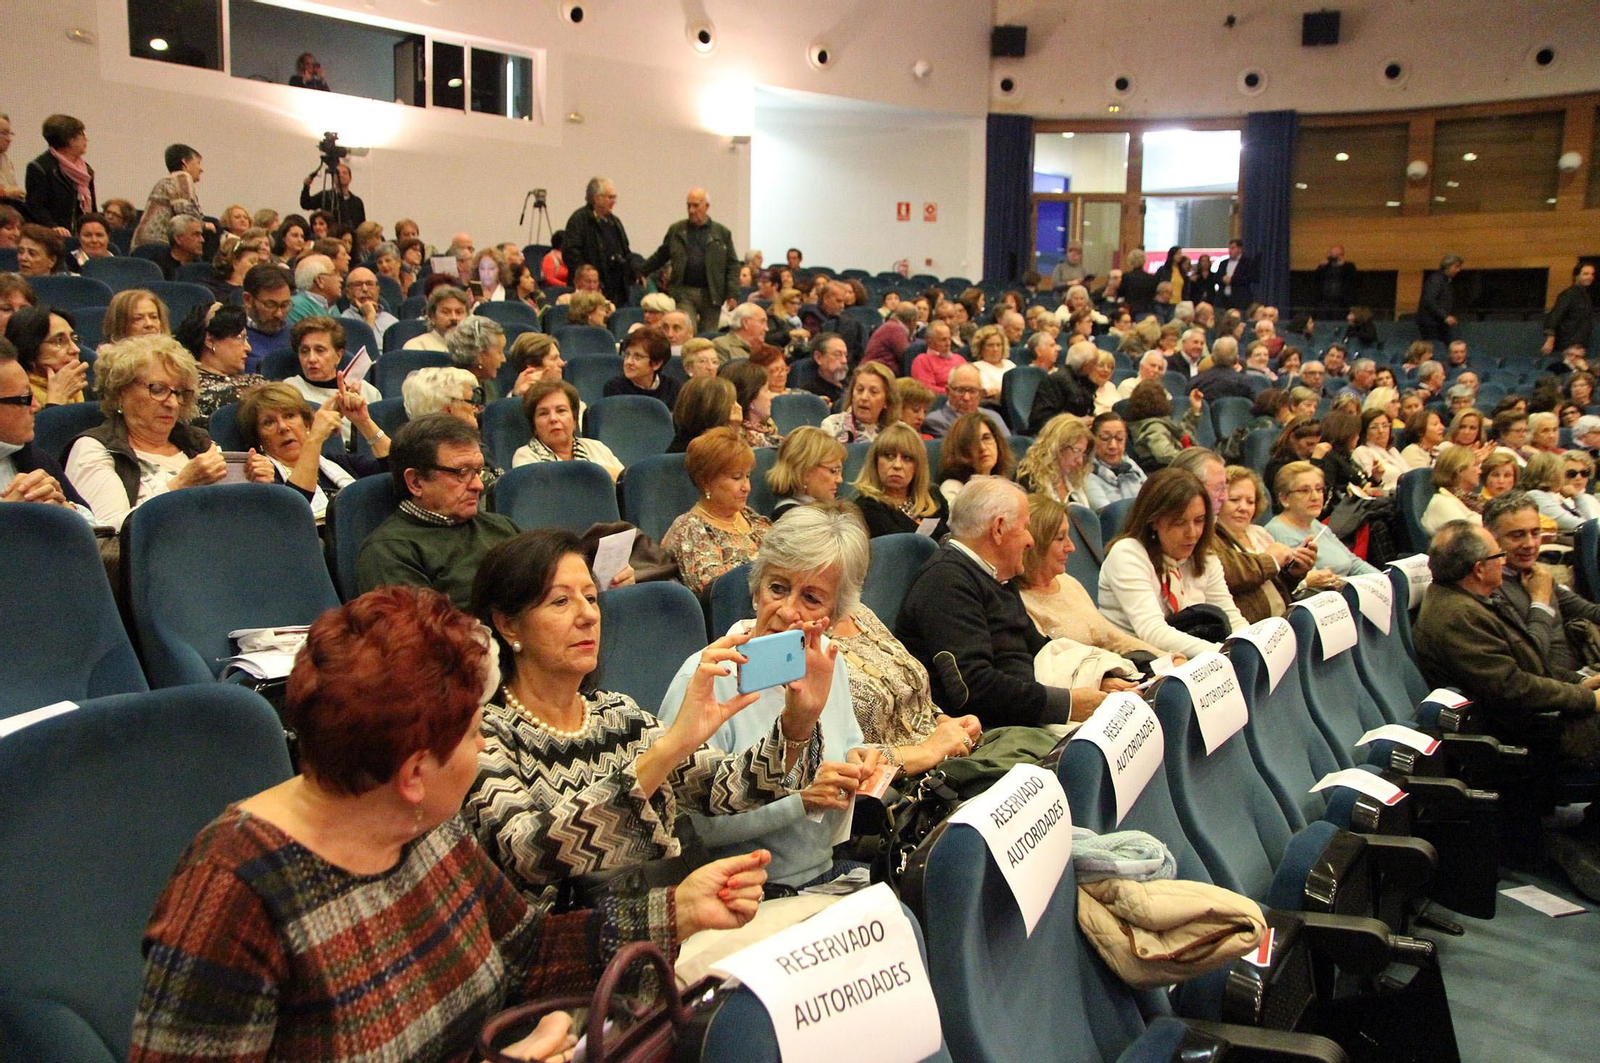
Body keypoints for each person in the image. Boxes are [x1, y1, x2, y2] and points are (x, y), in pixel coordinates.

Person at [130, 585, 771, 1063]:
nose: (484, 743)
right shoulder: (234, 892)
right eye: (471, 734)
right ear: (414, 772)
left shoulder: (422, 824)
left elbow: (525, 952)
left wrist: (677, 910)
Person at [461, 527, 817, 907]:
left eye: (591, 598)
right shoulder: (482, 736)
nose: (588, 615)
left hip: (663, 921)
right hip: (572, 939)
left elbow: (730, 788)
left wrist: (799, 721)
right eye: (561, 601)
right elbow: (527, 853)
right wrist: (668, 749)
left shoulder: (615, 714)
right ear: (508, 624)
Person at [660, 506, 886, 887]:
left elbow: (850, 742)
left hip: (825, 873)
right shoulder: (706, 679)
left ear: (834, 616)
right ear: (756, 592)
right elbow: (686, 826)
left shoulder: (827, 663)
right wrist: (801, 801)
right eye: (777, 588)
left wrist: (858, 760)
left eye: (811, 598)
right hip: (742, 890)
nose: (787, 610)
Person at [899, 477, 1134, 726]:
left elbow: (1038, 648)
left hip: (1027, 716)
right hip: (989, 730)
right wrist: (1067, 704)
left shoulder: (997, 575)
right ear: (999, 528)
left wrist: (1096, 679)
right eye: (1025, 527)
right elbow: (973, 689)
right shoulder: (945, 582)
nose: (1031, 540)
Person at [1414, 519, 1600, 758]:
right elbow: (1513, 688)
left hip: (1540, 718)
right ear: (1479, 569)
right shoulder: (1459, 618)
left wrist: (1580, 682)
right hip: (1529, 737)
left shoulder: (1468, 601)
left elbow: (1527, 664)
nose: (1503, 562)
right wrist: (1587, 698)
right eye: (1499, 556)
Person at [356, 415, 521, 607]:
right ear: (416, 482)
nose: (478, 485)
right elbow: (417, 625)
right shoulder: (388, 551)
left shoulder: (501, 526)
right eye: (462, 472)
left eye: (478, 471)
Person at [62, 334, 224, 529]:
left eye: (180, 392)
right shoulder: (94, 449)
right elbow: (108, 532)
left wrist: (252, 481)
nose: (172, 403)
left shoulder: (198, 442)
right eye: (158, 389)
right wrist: (180, 485)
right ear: (120, 393)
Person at [1098, 467, 1249, 657]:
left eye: (1199, 521)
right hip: (1135, 660)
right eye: (1179, 522)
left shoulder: (1205, 557)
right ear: (1154, 521)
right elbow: (1153, 633)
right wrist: (1224, 653)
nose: (1192, 533)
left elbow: (1231, 617)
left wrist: (1252, 646)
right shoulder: (1127, 554)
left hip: (1191, 658)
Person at [1016, 492, 1167, 661]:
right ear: (1034, 544)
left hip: (1117, 670)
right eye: (1060, 538)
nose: (1071, 547)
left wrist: (1167, 658)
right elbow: (1050, 666)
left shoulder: (1067, 582)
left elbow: (1115, 638)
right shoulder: (1018, 602)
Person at [1486, 491, 1600, 676]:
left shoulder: (1536, 574)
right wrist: (1540, 600)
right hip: (1556, 685)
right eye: (1517, 535)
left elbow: (1591, 612)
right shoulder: (1490, 588)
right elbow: (1531, 659)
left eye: (1535, 533)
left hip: (1580, 675)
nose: (1530, 544)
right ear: (1491, 538)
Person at [238, 382, 387, 523]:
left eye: (290, 415)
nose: (283, 427)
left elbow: (396, 471)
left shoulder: (339, 463)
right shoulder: (265, 477)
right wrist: (315, 438)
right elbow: (292, 511)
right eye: (269, 422)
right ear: (258, 438)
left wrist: (364, 422)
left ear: (306, 424)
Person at [661, 426, 772, 594]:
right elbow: (716, 591)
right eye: (736, 477)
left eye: (747, 476)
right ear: (706, 481)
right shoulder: (689, 529)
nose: (747, 487)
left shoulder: (749, 515)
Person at [1214, 465, 1311, 622]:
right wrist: (1270, 560)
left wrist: (1293, 573)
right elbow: (1233, 576)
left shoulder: (1259, 533)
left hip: (1282, 620)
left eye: (1250, 501)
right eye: (1234, 500)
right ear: (1217, 501)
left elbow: (1276, 588)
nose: (1243, 508)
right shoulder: (1211, 540)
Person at [0, 337, 86, 510]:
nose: (36, 406)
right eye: (24, 399)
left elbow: (96, 523)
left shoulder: (32, 456)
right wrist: (9, 515)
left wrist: (65, 509)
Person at [638, 187, 741, 327]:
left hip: (712, 294)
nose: (691, 210)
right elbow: (661, 255)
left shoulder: (722, 233)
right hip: (683, 291)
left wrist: (733, 293)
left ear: (707, 206)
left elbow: (732, 264)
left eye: (696, 205)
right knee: (686, 328)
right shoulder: (676, 230)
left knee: (708, 334)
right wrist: (641, 271)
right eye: (689, 205)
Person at [1265, 462, 1379, 579]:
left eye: (1319, 489)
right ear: (1284, 498)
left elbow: (1353, 563)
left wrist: (1383, 579)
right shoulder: (1278, 531)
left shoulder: (1316, 525)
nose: (1315, 497)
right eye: (1304, 490)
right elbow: (1313, 581)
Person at [282, 316, 381, 445]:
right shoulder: (289, 390)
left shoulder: (368, 391)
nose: (311, 359)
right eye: (304, 351)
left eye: (320, 350)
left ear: (338, 356)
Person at [512, 377, 624, 481]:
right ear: (534, 425)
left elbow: (626, 482)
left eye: (561, 411)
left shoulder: (597, 448)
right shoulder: (525, 456)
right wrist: (599, 474)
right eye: (543, 413)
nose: (553, 419)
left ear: (574, 419)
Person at [849, 422, 947, 538]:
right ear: (875, 462)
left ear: (918, 466)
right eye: (889, 456)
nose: (897, 465)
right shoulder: (866, 507)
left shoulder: (933, 496)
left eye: (907, 458)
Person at [175, 302, 263, 426]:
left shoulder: (253, 379)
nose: (248, 348)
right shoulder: (197, 392)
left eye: (246, 338)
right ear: (210, 340)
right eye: (239, 337)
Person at [562, 177, 633, 307]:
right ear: (596, 198)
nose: (614, 201)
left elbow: (626, 251)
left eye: (614, 197)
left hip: (616, 291)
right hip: (589, 290)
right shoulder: (578, 220)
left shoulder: (615, 222)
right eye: (610, 197)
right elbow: (570, 253)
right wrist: (591, 278)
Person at [6, 304, 87, 407]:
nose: (75, 349)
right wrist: (56, 401)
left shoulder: (85, 389)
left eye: (73, 339)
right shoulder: (16, 398)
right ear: (31, 350)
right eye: (59, 341)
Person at [25, 114, 95, 234]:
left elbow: (92, 209)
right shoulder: (40, 167)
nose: (86, 140)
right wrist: (53, 227)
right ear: (70, 140)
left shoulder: (86, 171)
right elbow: (35, 207)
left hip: (80, 234)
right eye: (82, 135)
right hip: (50, 234)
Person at [130, 144, 205, 249]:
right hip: (157, 245)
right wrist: (206, 225)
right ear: (185, 163)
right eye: (198, 163)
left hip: (144, 245)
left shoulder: (169, 180)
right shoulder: (181, 177)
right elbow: (187, 216)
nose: (201, 169)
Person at [766, 426, 845, 520]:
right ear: (805, 471)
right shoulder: (791, 516)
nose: (840, 480)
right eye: (833, 471)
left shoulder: (825, 510)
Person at [1016, 413, 1092, 508]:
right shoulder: (1028, 479)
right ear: (1058, 446)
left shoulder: (1073, 479)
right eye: (1076, 451)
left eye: (1083, 454)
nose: (1080, 461)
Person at [938, 411, 1013, 506]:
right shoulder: (953, 489)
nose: (982, 447)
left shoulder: (1005, 485)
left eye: (986, 438)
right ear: (960, 450)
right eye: (973, 442)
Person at [1127, 380, 1204, 472]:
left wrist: (1194, 410)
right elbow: (1165, 455)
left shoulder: (1160, 423)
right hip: (1172, 473)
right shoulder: (1154, 427)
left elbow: (1183, 434)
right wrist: (1193, 461)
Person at [603, 325, 681, 410]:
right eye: (627, 355)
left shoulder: (672, 388)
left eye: (638, 357)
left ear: (656, 364)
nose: (628, 362)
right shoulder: (615, 387)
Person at [925, 363, 1009, 441]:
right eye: (960, 390)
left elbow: (1009, 446)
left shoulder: (994, 417)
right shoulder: (935, 421)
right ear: (948, 391)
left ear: (981, 394)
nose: (966, 398)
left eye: (972, 391)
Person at [1025, 340, 1097, 432]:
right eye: (1094, 363)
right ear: (1086, 364)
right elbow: (1041, 420)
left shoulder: (1084, 381)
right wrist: (1075, 422)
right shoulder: (1056, 380)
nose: (1095, 367)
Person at [820, 361, 898, 444]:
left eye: (873, 392)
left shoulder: (897, 432)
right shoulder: (832, 427)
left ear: (886, 401)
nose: (864, 397)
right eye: (860, 390)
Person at [240, 263, 293, 370]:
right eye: (270, 305)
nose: (279, 314)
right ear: (248, 299)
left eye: (284, 305)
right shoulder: (231, 337)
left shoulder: (295, 335)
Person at [446, 315, 508, 404]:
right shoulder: (453, 391)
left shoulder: (488, 385)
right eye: (499, 352)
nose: (503, 359)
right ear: (479, 355)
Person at [1521, 451, 1589, 533]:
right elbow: (1583, 525)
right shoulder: (1536, 496)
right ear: (1553, 475)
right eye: (1565, 473)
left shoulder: (1550, 496)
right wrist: (1578, 497)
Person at [721, 358, 781, 449]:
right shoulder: (733, 438)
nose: (771, 396)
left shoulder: (769, 427)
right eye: (766, 390)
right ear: (751, 400)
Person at [1543, 263, 1595, 358]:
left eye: (1592, 274)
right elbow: (1555, 316)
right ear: (1576, 276)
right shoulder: (1568, 294)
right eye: (1585, 274)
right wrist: (1550, 339)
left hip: (1579, 343)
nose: (1590, 277)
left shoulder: (1586, 296)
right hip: (1568, 343)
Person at [1352, 407, 1408, 492]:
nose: (1381, 431)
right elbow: (1368, 486)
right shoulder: (1362, 451)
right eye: (1374, 427)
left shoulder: (1393, 451)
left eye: (1385, 426)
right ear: (1364, 432)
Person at [299, 160, 365, 231]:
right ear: (333, 177)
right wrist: (306, 186)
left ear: (350, 178)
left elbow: (362, 225)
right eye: (338, 173)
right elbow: (305, 204)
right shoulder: (326, 196)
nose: (341, 175)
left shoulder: (357, 202)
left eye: (344, 173)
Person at [404, 285, 470, 352]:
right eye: (446, 312)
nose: (453, 317)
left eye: (459, 312)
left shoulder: (473, 347)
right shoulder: (417, 346)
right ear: (432, 316)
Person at [1418, 254, 1464, 342]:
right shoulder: (1436, 279)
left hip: (1440, 322)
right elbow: (1429, 300)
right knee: (1435, 346)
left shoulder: (1447, 281)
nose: (1458, 270)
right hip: (1431, 323)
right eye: (1456, 267)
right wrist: (1445, 316)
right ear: (1447, 266)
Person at [102, 288, 170, 346]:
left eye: (154, 317)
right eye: (138, 319)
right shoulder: (109, 356)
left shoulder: (173, 354)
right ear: (120, 325)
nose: (149, 324)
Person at [861, 303, 919, 372]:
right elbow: (908, 356)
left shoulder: (891, 326)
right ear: (912, 320)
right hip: (874, 372)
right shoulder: (894, 329)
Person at [910, 321, 963, 394]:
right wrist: (955, 393)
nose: (948, 343)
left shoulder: (959, 359)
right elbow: (927, 389)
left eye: (949, 339)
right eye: (943, 340)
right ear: (930, 342)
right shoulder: (922, 360)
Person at [969, 324, 1013, 405]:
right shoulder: (975, 368)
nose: (995, 349)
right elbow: (987, 393)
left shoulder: (1009, 364)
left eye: (998, 345)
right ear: (981, 348)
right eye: (990, 345)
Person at [1312, 245, 1358, 317]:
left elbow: (1354, 280)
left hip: (1342, 302)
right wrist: (1321, 267)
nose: (1334, 257)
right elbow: (1316, 279)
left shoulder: (1349, 266)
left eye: (1338, 255)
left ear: (1342, 255)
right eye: (1332, 254)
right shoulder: (1325, 266)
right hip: (1324, 300)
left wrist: (1343, 266)